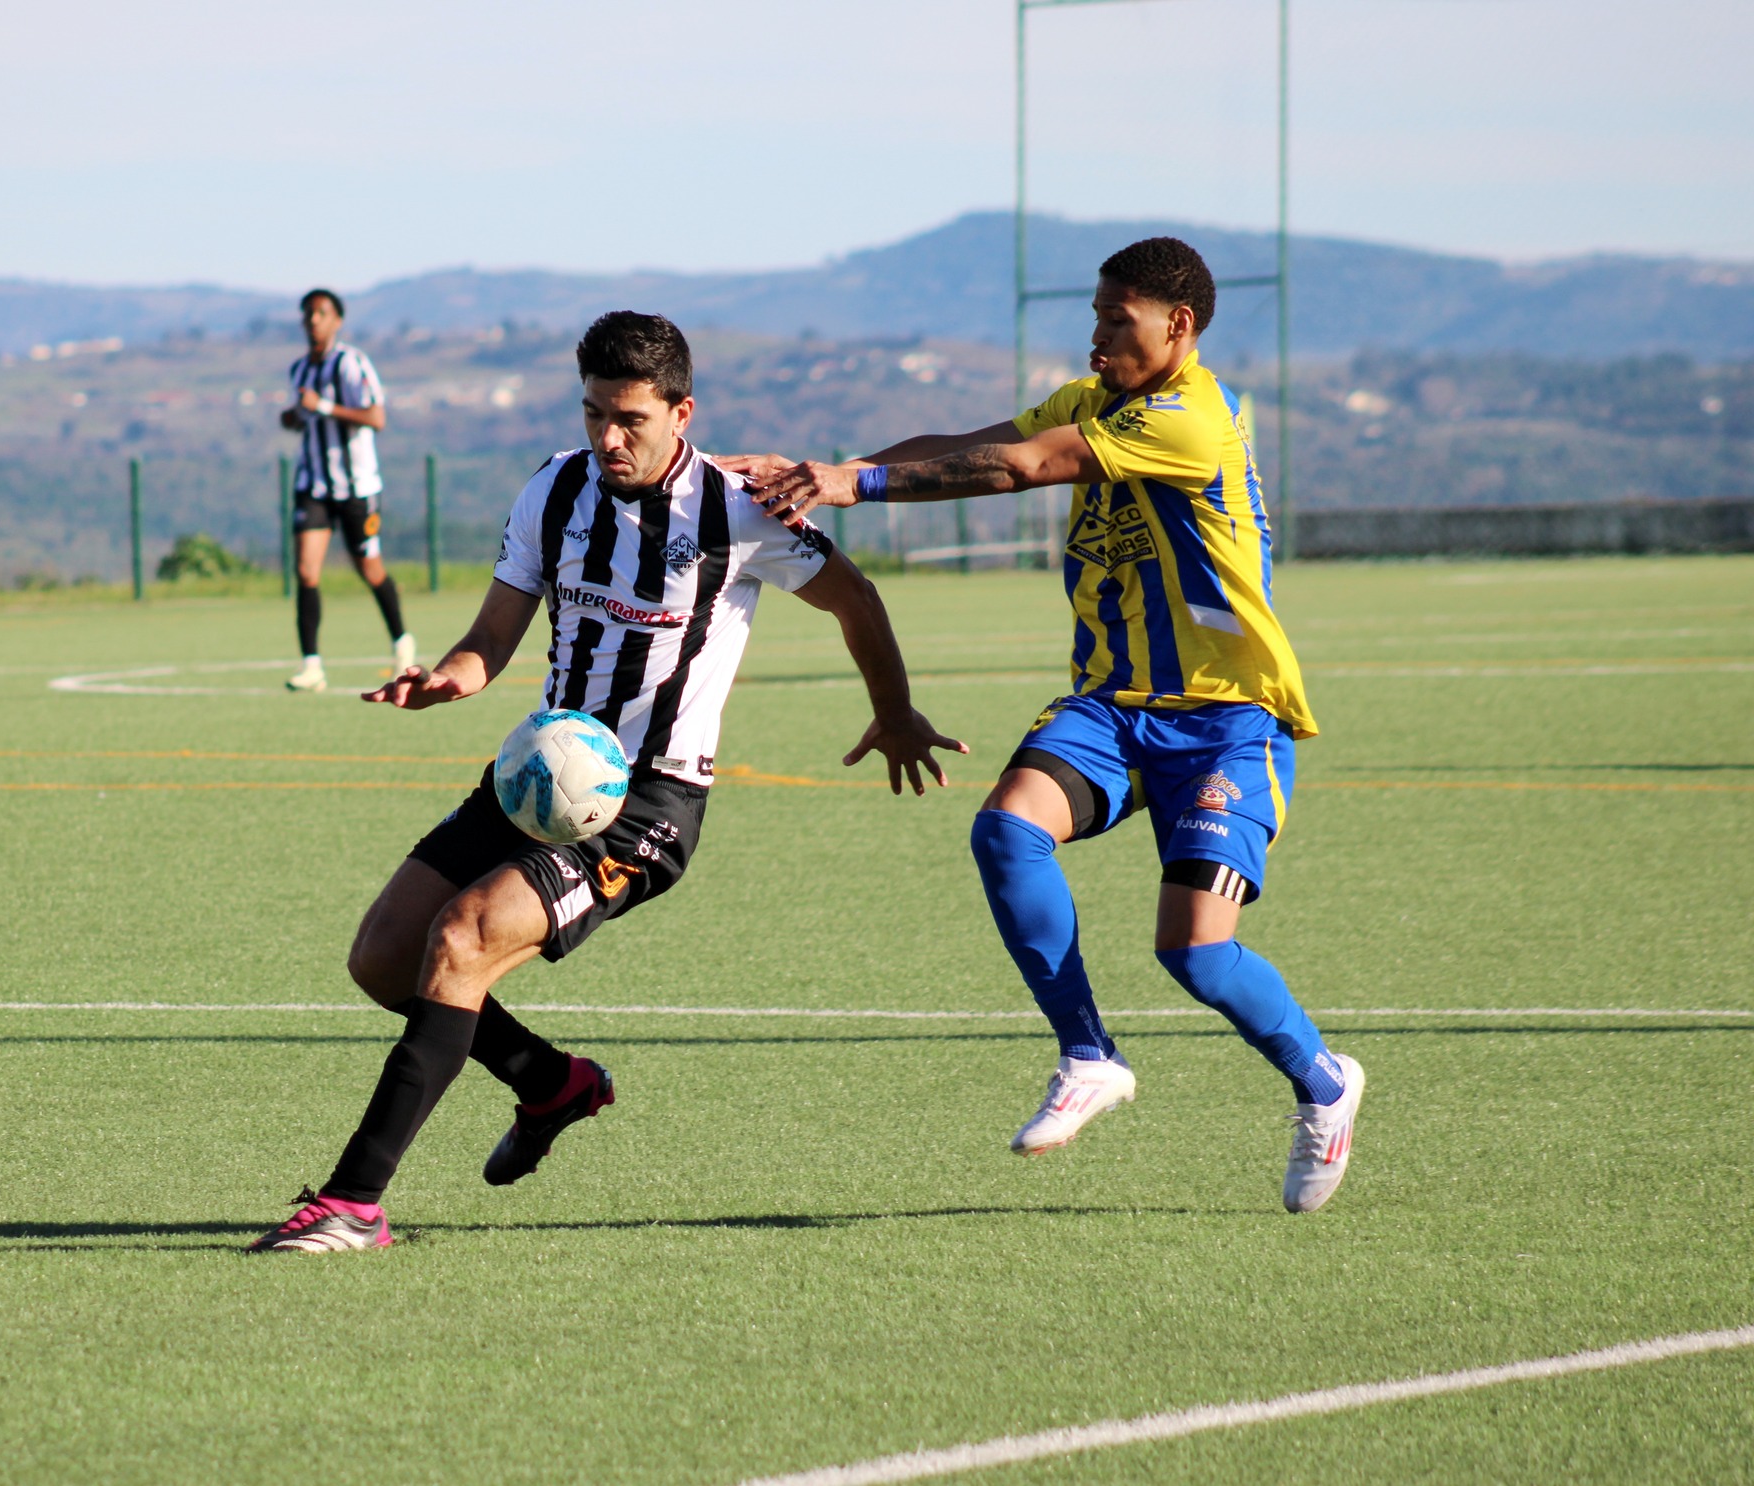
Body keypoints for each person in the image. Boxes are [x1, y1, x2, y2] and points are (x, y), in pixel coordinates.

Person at [250, 311, 966, 1252]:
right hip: (535, 776)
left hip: (643, 808)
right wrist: (448, 679)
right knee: (383, 957)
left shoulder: (741, 509)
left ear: (683, 411)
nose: (607, 438)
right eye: (594, 414)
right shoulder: (553, 490)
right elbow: (493, 637)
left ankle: (352, 1203)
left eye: (629, 418)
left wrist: (897, 709)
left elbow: (856, 598)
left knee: (462, 940)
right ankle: (552, 1083)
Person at [726, 238, 1364, 1215]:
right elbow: (962, 444)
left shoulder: (1189, 417)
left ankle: (1323, 1083)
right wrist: (823, 470)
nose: (1099, 332)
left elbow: (1023, 467)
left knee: (1194, 953)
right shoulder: (1089, 397)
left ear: (1177, 325)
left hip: (1225, 720)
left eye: (1119, 318)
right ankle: (1086, 1052)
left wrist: (852, 487)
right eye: (1097, 315)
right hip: (1109, 704)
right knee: (1004, 828)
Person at [281, 288, 415, 692]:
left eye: (321, 313)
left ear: (337, 320)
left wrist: (323, 407)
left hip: (356, 488)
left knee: (369, 568)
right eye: (308, 314)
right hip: (314, 486)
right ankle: (311, 665)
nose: (313, 320)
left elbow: (376, 417)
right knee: (306, 570)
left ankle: (402, 640)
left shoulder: (352, 364)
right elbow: (303, 420)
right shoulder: (299, 370)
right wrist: (294, 416)